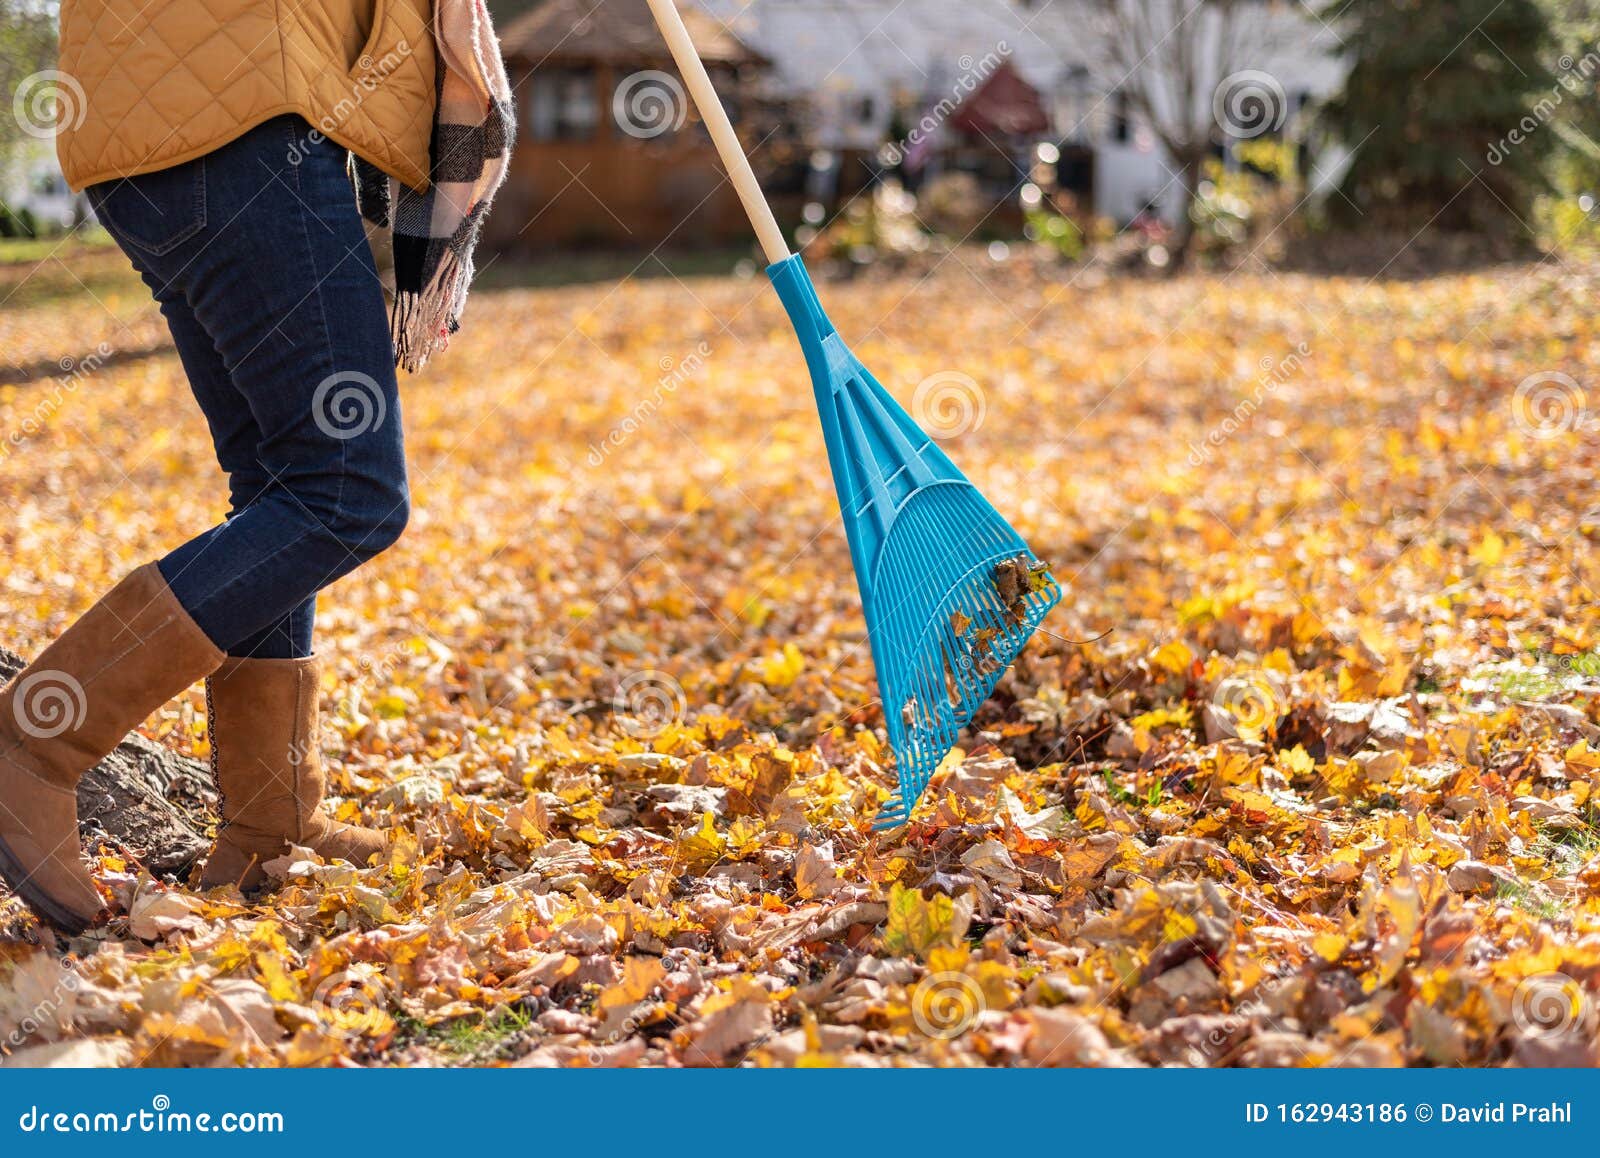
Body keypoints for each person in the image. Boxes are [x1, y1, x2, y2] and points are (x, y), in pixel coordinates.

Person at [0, 0, 441, 933]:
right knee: (350, 492)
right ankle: (36, 740)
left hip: (145, 130)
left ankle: (267, 826)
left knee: (284, 483)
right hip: (242, 115)